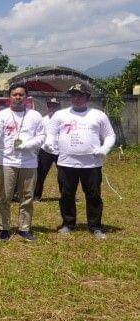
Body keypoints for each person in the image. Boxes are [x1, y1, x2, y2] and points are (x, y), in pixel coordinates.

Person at [46, 83, 115, 239]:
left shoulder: (98, 115)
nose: (76, 98)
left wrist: (104, 148)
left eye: (80, 95)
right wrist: (50, 142)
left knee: (93, 195)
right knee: (66, 194)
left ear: (88, 97)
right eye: (73, 95)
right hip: (66, 162)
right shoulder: (60, 115)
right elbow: (50, 132)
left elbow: (110, 135)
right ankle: (68, 223)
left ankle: (95, 226)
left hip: (91, 163)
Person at [0, 84, 44, 242]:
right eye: (14, 94)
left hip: (29, 162)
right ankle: (4, 228)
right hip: (7, 161)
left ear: (26, 97)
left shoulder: (35, 115)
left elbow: (41, 137)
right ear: (9, 97)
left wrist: (27, 144)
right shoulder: (2, 115)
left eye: (21, 95)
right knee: (5, 196)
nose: (18, 97)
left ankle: (24, 228)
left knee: (27, 197)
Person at [34, 97, 61, 201]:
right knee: (40, 174)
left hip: (60, 151)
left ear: (58, 107)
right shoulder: (43, 120)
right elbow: (38, 135)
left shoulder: (64, 120)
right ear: (47, 106)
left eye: (55, 105)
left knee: (64, 175)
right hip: (45, 151)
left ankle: (67, 196)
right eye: (50, 105)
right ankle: (36, 196)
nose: (52, 108)